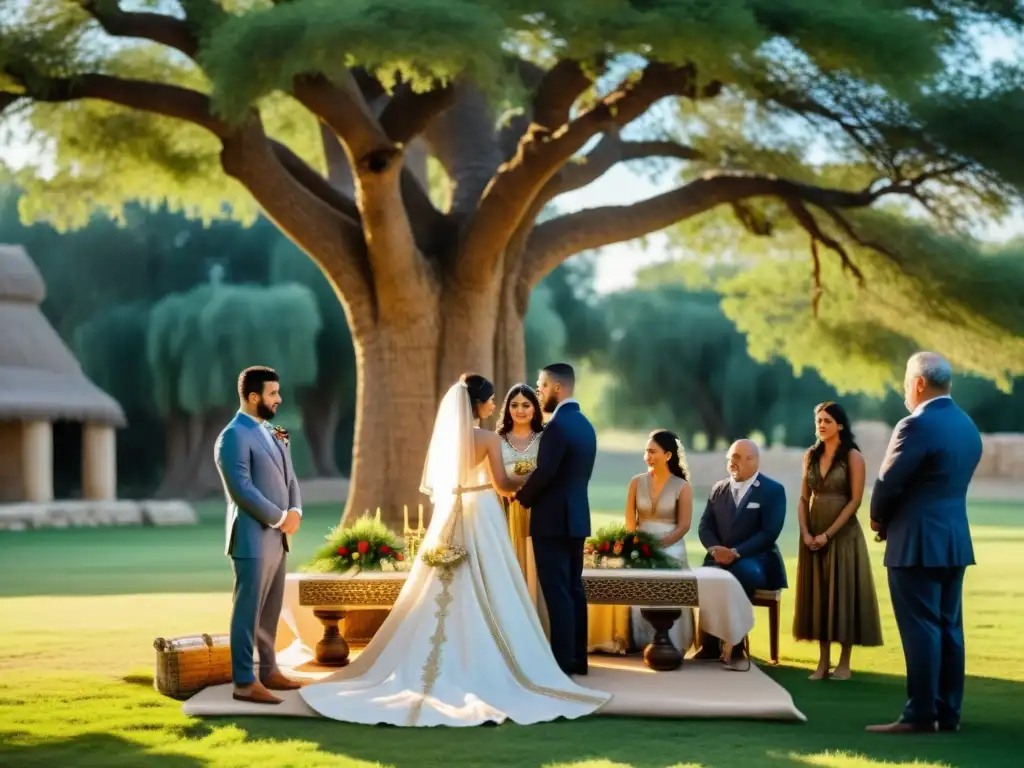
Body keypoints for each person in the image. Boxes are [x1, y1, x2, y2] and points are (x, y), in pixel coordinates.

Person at [300, 374, 610, 727]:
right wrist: (532, 481)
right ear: (477, 404)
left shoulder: (448, 440)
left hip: (451, 514)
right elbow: (503, 484)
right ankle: (495, 657)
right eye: (491, 400)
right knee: (492, 580)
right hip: (483, 513)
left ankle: (430, 657)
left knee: (441, 581)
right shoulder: (488, 439)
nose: (495, 406)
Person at [866, 352, 982, 735]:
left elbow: (888, 483)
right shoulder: (967, 425)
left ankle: (919, 714)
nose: (904, 389)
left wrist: (879, 518)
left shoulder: (915, 425)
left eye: (905, 382)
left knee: (921, 629)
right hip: (953, 539)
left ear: (918, 384)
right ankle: (948, 713)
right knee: (949, 627)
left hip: (916, 540)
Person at [214, 366, 304, 705]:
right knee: (247, 611)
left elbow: (291, 478)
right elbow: (242, 489)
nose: (279, 399)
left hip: (278, 539)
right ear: (253, 397)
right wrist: (281, 517)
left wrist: (296, 512)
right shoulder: (232, 436)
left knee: (270, 610)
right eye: (272, 393)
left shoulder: (278, 432)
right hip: (251, 539)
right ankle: (243, 681)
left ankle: (269, 671)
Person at [515, 363, 597, 676]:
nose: (539, 391)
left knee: (557, 590)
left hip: (552, 521)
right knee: (574, 588)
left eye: (542, 385)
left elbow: (546, 472)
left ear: (558, 388)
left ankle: (562, 663)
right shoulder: (585, 425)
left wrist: (521, 497)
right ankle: (578, 658)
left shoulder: (558, 426)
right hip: (577, 519)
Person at [793, 402, 883, 681]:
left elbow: (855, 500)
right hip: (812, 533)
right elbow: (803, 498)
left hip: (842, 535)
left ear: (840, 425)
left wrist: (828, 534)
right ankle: (822, 662)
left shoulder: (853, 457)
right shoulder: (810, 455)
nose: (821, 425)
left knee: (842, 594)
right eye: (818, 420)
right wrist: (807, 533)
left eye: (827, 421)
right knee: (819, 595)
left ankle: (844, 663)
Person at [696, 439, 787, 666]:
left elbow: (769, 532)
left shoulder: (773, 490)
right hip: (719, 559)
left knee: (738, 574)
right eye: (731, 457)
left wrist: (736, 552)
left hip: (757, 560)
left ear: (753, 460)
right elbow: (705, 526)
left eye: (739, 457)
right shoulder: (719, 489)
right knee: (706, 576)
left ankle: (735, 644)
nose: (733, 462)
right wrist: (714, 549)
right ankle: (707, 645)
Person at [627, 429, 695, 654]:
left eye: (653, 451)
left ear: (667, 455)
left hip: (671, 546)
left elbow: (684, 525)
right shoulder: (636, 482)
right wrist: (639, 544)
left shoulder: (682, 486)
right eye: (646, 451)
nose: (648, 455)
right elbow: (630, 523)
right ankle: (639, 640)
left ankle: (671, 640)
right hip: (641, 545)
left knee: (669, 567)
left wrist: (661, 545)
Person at [497, 383, 548, 634]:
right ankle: (512, 632)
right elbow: (492, 478)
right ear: (507, 409)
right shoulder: (497, 440)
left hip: (540, 512)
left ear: (534, 408)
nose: (520, 410)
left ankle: (539, 631)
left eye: (526, 405)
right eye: (514, 405)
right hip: (506, 514)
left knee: (539, 570)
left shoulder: (545, 438)